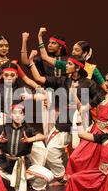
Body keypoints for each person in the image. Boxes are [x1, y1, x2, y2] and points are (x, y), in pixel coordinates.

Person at [27, 51, 101, 184]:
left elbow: (99, 97)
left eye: (70, 64)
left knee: (80, 154)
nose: (66, 66)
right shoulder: (63, 81)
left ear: (77, 67)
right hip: (64, 121)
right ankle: (62, 177)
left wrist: (86, 107)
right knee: (51, 150)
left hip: (81, 122)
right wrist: (31, 62)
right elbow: (39, 79)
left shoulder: (89, 83)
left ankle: (80, 179)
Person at [0, 104, 54, 191]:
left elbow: (43, 136)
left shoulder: (28, 130)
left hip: (23, 166)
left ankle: (24, 181)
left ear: (24, 115)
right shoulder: (3, 128)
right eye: (15, 113)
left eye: (21, 113)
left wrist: (30, 139)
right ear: (10, 115)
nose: (18, 115)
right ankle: (4, 182)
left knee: (48, 175)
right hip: (4, 166)